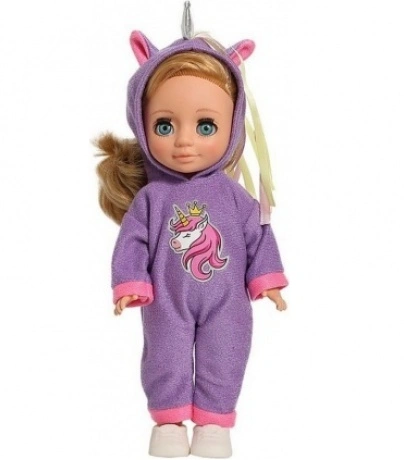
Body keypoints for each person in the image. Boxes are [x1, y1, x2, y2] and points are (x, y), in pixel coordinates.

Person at [95, 5, 288, 458]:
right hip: (165, 297)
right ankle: (168, 422)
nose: (185, 141)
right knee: (164, 353)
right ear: (141, 123)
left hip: (227, 299)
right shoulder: (152, 199)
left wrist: (267, 279)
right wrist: (130, 282)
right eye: (165, 125)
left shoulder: (235, 197)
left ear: (232, 125)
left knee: (227, 351)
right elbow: (132, 242)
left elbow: (259, 234)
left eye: (206, 126)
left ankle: (215, 424)